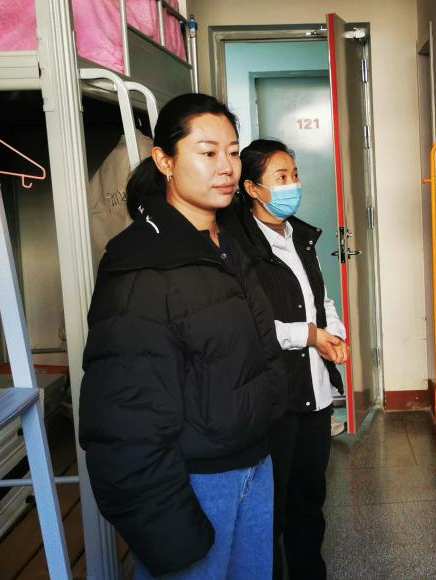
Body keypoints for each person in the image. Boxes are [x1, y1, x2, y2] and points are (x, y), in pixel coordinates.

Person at [79, 94, 286, 579]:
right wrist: (168, 529)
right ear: (165, 161)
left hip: (255, 466)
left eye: (232, 152)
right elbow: (124, 419)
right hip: (194, 483)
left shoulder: (228, 243)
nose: (226, 167)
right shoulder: (140, 263)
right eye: (207, 152)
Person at [221, 139, 347, 580]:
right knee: (269, 511)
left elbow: (320, 298)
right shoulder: (238, 246)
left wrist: (333, 333)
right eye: (281, 177)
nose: (293, 184)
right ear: (252, 188)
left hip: (315, 394)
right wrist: (307, 335)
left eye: (294, 174)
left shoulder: (300, 237)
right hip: (276, 398)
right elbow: (246, 325)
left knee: (309, 502)